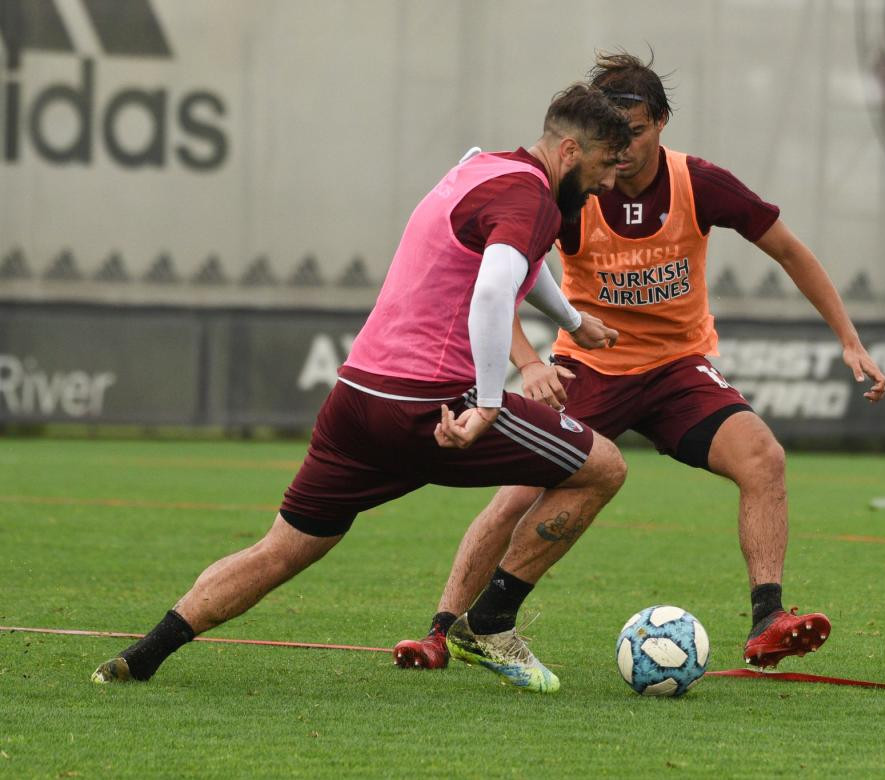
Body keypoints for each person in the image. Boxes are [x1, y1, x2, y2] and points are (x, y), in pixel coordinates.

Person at [90, 83, 635, 694]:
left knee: (282, 549)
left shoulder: (480, 167)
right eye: (606, 167)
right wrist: (487, 402)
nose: (608, 184)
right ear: (568, 151)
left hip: (354, 399)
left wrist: (570, 321)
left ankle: (144, 656)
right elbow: (490, 292)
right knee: (604, 468)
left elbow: (514, 266)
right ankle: (488, 624)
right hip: (427, 405)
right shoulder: (531, 199)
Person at [392, 51, 885, 672]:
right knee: (519, 491)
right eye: (609, 135)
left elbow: (789, 250)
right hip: (591, 369)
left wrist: (849, 339)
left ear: (661, 122)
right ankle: (441, 630)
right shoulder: (568, 192)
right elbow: (499, 287)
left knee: (764, 458)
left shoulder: (698, 183)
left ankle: (769, 619)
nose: (620, 149)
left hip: (679, 369)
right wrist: (528, 362)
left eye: (634, 131)